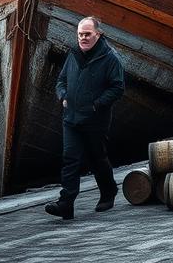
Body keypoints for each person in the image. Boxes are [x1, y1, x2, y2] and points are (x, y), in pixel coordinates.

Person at [45, 16, 125, 220]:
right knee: (70, 159)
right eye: (80, 34)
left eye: (87, 34)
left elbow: (118, 87)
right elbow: (61, 80)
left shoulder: (110, 58)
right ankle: (66, 204)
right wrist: (62, 95)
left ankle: (109, 192)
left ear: (98, 35)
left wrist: (97, 104)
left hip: (95, 118)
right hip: (71, 116)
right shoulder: (73, 54)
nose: (83, 38)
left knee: (96, 157)